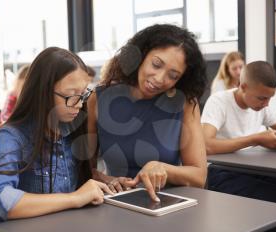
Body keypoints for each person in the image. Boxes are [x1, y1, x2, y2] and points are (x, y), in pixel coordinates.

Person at [0, 47, 113, 222]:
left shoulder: (73, 128)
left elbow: (70, 180)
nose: (79, 104)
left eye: (83, 94)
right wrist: (75, 198)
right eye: (70, 95)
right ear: (42, 93)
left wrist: (102, 181)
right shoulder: (11, 136)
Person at [88, 24, 208, 202]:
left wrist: (162, 168)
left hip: (167, 204)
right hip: (115, 202)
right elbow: (84, 168)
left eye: (173, 76)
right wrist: (108, 180)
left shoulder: (185, 104)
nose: (159, 79)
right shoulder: (98, 98)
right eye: (156, 64)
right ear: (141, 55)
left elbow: (199, 176)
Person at [201, 61, 276, 206]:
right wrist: (256, 139)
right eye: (262, 98)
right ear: (243, 87)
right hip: (220, 171)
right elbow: (205, 145)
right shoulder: (218, 102)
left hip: (253, 168)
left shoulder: (262, 105)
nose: (267, 104)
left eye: (270, 98)